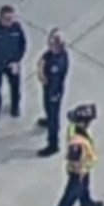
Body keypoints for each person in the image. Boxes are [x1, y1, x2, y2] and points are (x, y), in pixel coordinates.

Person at [50, 103, 104, 206]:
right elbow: (74, 159)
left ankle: (86, 202)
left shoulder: (75, 128)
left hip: (84, 167)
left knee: (85, 186)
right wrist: (79, 172)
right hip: (78, 171)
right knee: (71, 194)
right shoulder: (76, 143)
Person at [35, 28, 70, 157]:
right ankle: (48, 120)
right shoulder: (53, 55)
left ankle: (53, 144)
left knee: (53, 116)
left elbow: (54, 82)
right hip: (49, 88)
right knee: (47, 108)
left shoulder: (57, 63)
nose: (49, 45)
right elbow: (44, 59)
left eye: (52, 43)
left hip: (53, 92)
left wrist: (52, 95)